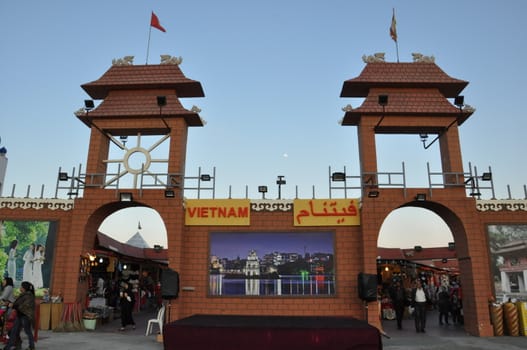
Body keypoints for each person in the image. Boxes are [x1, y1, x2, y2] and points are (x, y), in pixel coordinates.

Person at [5, 281, 36, 350]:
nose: (20, 288)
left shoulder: (29, 296)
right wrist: (11, 304)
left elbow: (24, 306)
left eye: (21, 287)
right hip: (20, 315)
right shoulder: (23, 294)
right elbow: (17, 304)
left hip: (26, 316)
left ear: (24, 288)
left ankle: (32, 346)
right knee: (14, 331)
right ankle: (9, 347)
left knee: (27, 331)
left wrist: (13, 305)